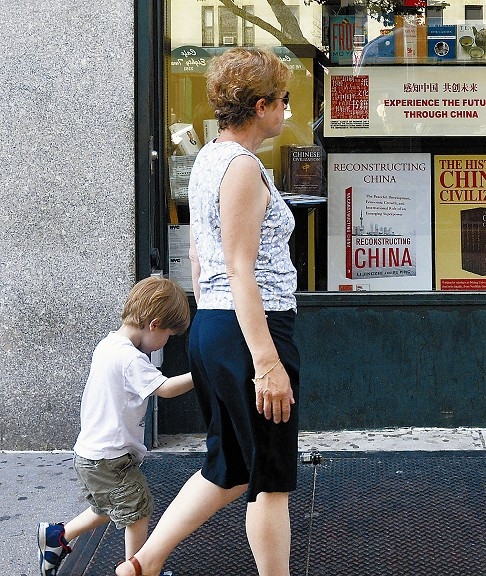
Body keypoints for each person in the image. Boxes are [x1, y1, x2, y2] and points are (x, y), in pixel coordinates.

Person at [116, 47, 300, 576]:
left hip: (219, 325)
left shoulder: (209, 159)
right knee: (269, 480)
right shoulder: (241, 167)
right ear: (261, 106)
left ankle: (143, 564)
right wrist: (266, 362)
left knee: (229, 467)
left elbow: (200, 257)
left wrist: (212, 328)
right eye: (283, 100)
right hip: (252, 330)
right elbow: (241, 269)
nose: (286, 110)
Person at [37, 276, 192, 576]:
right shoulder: (130, 358)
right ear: (154, 324)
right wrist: (201, 373)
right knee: (137, 510)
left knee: (109, 506)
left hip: (92, 454)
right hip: (109, 459)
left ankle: (57, 536)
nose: (166, 342)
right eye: (169, 335)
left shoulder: (108, 344)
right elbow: (165, 388)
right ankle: (137, 569)